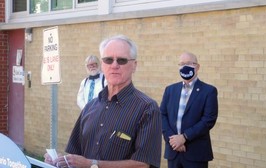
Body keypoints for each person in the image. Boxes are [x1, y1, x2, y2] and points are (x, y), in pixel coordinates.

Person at [44, 35, 162, 168]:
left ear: (134, 65)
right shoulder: (90, 107)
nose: (114, 65)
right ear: (103, 65)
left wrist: (93, 165)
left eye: (122, 60)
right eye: (108, 60)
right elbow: (76, 153)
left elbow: (144, 164)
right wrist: (62, 160)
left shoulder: (147, 108)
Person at [160, 52, 218, 168]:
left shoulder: (208, 91)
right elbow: (162, 115)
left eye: (188, 63)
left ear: (197, 67)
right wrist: (173, 140)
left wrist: (184, 137)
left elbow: (208, 120)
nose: (184, 67)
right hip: (173, 152)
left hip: (196, 153)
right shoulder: (170, 90)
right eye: (181, 64)